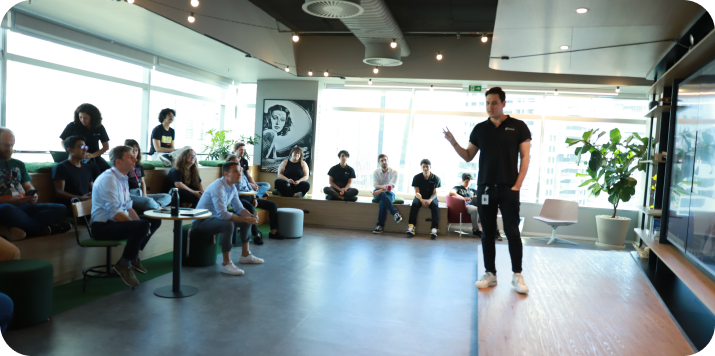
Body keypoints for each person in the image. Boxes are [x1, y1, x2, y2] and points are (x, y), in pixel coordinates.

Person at [443, 86, 531, 294]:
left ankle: (517, 275)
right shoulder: (480, 129)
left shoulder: (518, 127)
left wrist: (517, 185)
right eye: (487, 103)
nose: (490, 107)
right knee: (487, 232)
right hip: (484, 190)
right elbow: (467, 156)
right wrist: (453, 142)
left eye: (494, 103)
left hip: (509, 188)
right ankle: (490, 274)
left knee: (512, 231)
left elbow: (525, 157)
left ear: (503, 103)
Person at [90, 145, 162, 287]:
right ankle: (124, 264)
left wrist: (140, 225)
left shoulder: (122, 178)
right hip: (102, 227)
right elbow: (116, 213)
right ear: (118, 162)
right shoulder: (108, 179)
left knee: (154, 219)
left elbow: (128, 208)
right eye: (130, 157)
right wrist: (137, 226)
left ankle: (132, 257)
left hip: (115, 223)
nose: (135, 158)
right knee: (142, 225)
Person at [192, 161, 263, 276]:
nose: (240, 173)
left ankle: (245, 255)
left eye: (240, 170)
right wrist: (245, 219)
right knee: (228, 224)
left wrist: (251, 217)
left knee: (246, 222)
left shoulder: (232, 187)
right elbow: (223, 215)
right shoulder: (218, 187)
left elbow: (239, 208)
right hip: (202, 221)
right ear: (226, 174)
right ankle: (226, 264)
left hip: (215, 219)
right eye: (235, 171)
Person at [0, 128, 70, 240]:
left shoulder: (18, 164)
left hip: (22, 204)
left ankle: (16, 227)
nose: (10, 149)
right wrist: (10, 201)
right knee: (7, 209)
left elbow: (27, 185)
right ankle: (45, 230)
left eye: (12, 146)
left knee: (61, 208)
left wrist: (32, 194)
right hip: (4, 206)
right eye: (5, 145)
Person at [226, 154, 282, 243]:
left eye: (238, 162)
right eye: (235, 162)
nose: (237, 164)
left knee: (273, 205)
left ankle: (273, 231)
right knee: (250, 208)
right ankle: (256, 235)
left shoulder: (242, 173)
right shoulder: (229, 175)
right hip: (239, 199)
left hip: (249, 197)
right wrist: (239, 174)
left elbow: (249, 186)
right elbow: (237, 188)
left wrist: (254, 198)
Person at [59, 104, 111, 179]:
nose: (83, 120)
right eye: (80, 117)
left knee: (107, 169)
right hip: (77, 156)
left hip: (94, 156)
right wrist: (71, 152)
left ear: (92, 117)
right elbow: (63, 141)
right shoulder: (72, 125)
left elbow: (106, 146)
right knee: (93, 168)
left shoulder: (99, 127)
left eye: (85, 118)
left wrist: (92, 155)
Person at [124, 139, 172, 213]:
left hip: (140, 192)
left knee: (167, 196)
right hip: (130, 194)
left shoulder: (139, 166)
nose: (134, 153)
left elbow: (143, 182)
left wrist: (144, 195)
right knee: (148, 201)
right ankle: (158, 208)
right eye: (132, 150)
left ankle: (157, 206)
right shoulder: (124, 166)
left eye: (136, 150)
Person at [51, 135, 93, 213]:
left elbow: (92, 188)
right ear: (70, 150)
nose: (84, 150)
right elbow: (59, 192)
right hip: (71, 204)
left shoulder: (87, 167)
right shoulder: (61, 167)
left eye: (85, 147)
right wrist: (80, 198)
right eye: (81, 147)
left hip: (86, 202)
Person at [406, 159, 441, 240]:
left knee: (435, 205)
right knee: (414, 204)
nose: (425, 168)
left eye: (427, 167)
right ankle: (411, 227)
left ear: (430, 167)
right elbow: (417, 192)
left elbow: (435, 193)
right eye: (423, 167)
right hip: (420, 197)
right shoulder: (417, 177)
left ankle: (434, 229)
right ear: (421, 168)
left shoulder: (436, 178)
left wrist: (429, 200)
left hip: (431, 197)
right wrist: (421, 200)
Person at [372, 154, 403, 233]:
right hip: (377, 192)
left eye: (385, 160)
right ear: (379, 163)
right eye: (382, 161)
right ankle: (395, 213)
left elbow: (390, 187)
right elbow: (375, 185)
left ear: (388, 161)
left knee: (383, 202)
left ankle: (380, 226)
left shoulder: (394, 172)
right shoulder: (376, 172)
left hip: (390, 193)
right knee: (382, 195)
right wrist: (383, 188)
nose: (384, 162)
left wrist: (381, 189)